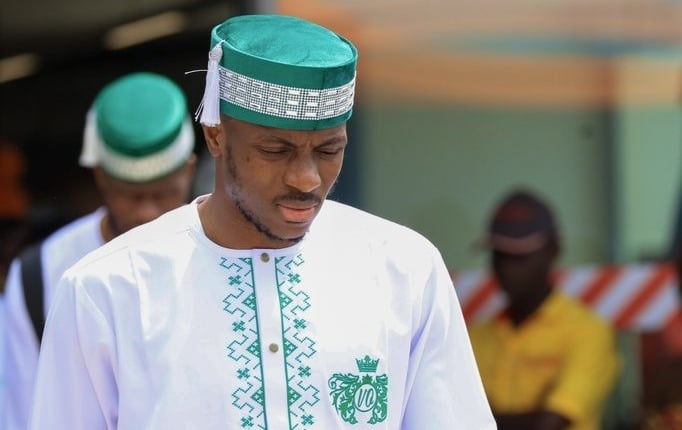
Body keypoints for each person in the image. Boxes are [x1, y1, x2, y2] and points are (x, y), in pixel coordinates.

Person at [28, 14, 495, 429]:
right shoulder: (108, 289)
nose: (307, 179)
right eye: (276, 151)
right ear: (215, 136)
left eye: (329, 150)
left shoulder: (405, 270)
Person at [1, 71, 197, 430]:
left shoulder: (220, 258)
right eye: (131, 195)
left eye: (163, 193)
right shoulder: (40, 276)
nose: (147, 212)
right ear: (100, 177)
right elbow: (20, 414)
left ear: (190, 169)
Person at [467, 189, 620, 430]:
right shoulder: (476, 335)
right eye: (499, 255)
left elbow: (550, 423)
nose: (507, 268)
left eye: (519, 256)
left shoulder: (589, 331)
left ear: (553, 250)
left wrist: (485, 421)